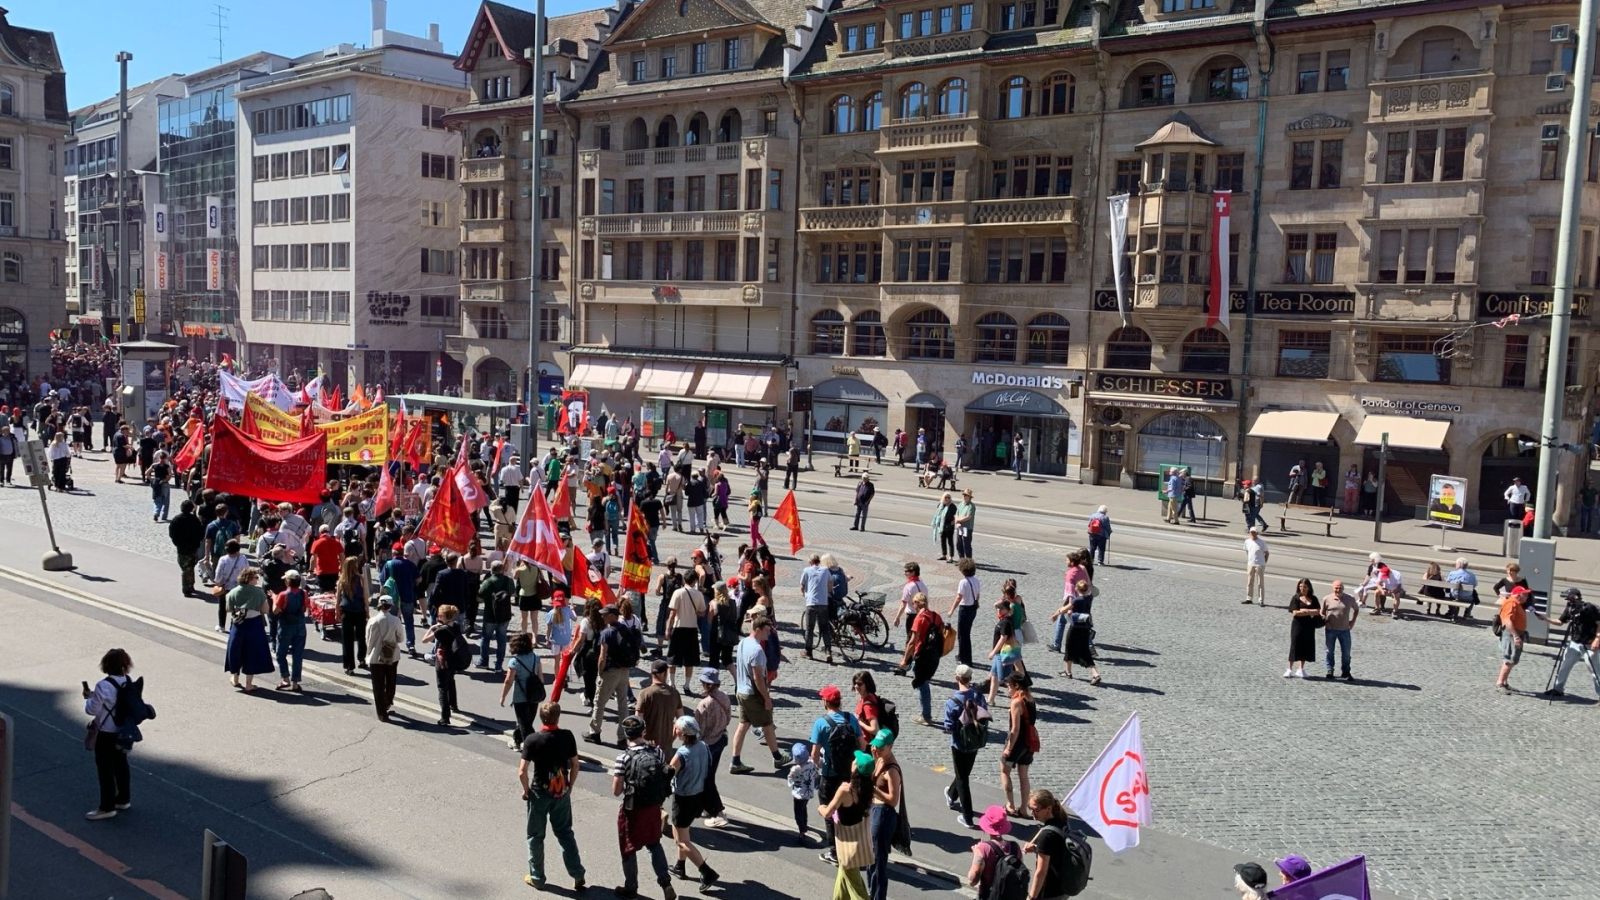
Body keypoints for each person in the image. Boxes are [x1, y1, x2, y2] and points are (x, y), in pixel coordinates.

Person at [519, 701, 586, 891]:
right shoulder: (567, 736)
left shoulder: (532, 740)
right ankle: (577, 873)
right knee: (565, 833)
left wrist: (526, 790)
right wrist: (570, 786)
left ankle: (537, 877)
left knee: (535, 836)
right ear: (558, 716)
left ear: (541, 718)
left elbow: (522, 771)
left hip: (539, 792)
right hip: (561, 790)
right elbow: (575, 765)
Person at [611, 715, 677, 900]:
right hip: (653, 807)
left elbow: (616, 791)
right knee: (654, 844)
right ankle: (665, 883)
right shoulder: (658, 752)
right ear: (644, 732)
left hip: (633, 809)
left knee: (628, 847)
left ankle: (631, 888)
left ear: (626, 734)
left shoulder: (623, 757)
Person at [727, 615, 794, 774]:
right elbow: (758, 678)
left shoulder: (743, 642)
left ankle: (735, 761)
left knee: (743, 725)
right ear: (757, 630)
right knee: (767, 724)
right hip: (753, 694)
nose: (769, 634)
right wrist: (766, 698)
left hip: (741, 691)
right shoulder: (757, 651)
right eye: (766, 631)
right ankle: (778, 758)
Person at [810, 684, 865, 862]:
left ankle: (834, 852)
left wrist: (820, 764)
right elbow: (862, 745)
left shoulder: (821, 723)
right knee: (848, 810)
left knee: (829, 810)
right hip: (848, 774)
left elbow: (814, 754)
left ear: (826, 702)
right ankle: (850, 846)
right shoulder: (850, 719)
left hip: (830, 775)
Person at [666, 716, 720, 888]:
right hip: (698, 795)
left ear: (682, 733)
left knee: (680, 840)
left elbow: (667, 774)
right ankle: (679, 866)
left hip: (683, 799)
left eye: (676, 728)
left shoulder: (682, 754)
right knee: (684, 832)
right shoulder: (703, 746)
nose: (674, 730)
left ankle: (707, 872)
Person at [83, 648, 135, 820]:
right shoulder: (128, 681)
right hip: (123, 732)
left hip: (105, 733)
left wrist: (89, 698)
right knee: (121, 765)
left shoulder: (103, 685)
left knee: (105, 769)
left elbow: (92, 710)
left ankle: (107, 807)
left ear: (106, 665)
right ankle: (123, 799)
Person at [814, 750, 874, 900]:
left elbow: (827, 813)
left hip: (846, 844)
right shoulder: (868, 788)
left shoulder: (845, 790)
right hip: (859, 842)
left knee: (857, 888)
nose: (853, 760)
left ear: (856, 769)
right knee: (843, 879)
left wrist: (820, 807)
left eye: (855, 760)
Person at [586, 604, 642, 746]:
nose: (602, 616)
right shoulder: (625, 629)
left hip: (610, 672)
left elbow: (602, 656)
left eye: (605, 614)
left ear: (612, 616)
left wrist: (600, 672)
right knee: (623, 705)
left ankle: (594, 733)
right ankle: (622, 737)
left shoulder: (607, 633)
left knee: (599, 702)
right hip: (624, 671)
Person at [943, 664, 989, 830]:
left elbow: (948, 727)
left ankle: (967, 816)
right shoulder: (978, 696)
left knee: (963, 779)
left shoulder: (952, 702)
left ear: (957, 678)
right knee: (963, 772)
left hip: (959, 744)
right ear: (970, 678)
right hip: (975, 741)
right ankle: (951, 794)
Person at [1542, 587, 1600, 699]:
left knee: (1595, 670)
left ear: (1575, 597)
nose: (1567, 600)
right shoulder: (1570, 608)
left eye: (1568, 598)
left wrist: (1597, 639)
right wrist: (1546, 619)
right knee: (1565, 665)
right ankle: (1558, 689)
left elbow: (1599, 623)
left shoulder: (1589, 608)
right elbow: (1560, 622)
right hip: (1574, 642)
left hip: (1589, 643)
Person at [1023, 789, 1081, 900]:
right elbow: (1056, 849)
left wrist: (1031, 897)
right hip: (1064, 885)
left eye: (1035, 810)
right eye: (1030, 808)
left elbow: (1041, 872)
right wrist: (1037, 848)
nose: (1032, 813)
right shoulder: (1063, 820)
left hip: (1050, 891)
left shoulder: (1047, 835)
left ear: (1048, 808)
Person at [692, 668, 732, 827]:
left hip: (706, 745)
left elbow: (698, 730)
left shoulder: (704, 705)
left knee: (706, 778)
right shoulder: (724, 697)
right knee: (709, 775)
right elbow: (728, 718)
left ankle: (718, 812)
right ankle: (706, 806)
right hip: (720, 739)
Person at [223, 567, 274, 691]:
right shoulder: (258, 592)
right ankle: (249, 684)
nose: (257, 579)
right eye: (256, 577)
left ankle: (235, 679)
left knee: (235, 650)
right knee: (252, 653)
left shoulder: (233, 592)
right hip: (254, 624)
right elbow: (265, 610)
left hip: (238, 624)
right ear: (250, 579)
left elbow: (228, 609)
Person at [865, 729, 901, 900]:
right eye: (875, 746)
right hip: (874, 811)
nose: (877, 750)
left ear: (891, 747)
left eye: (881, 748)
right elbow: (873, 777)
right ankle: (871, 893)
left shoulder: (892, 770)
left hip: (883, 815)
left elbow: (893, 800)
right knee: (871, 858)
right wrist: (874, 758)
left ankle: (878, 897)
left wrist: (873, 789)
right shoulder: (879, 759)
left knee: (878, 862)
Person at [896, 593, 942, 725]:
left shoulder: (919, 619)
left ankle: (926, 716)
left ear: (917, 603)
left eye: (913, 603)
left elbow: (912, 642)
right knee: (924, 682)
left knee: (922, 684)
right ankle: (926, 714)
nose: (913, 606)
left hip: (922, 655)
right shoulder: (936, 616)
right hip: (934, 655)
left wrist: (905, 659)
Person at [1496, 586, 1546, 693]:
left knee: (1512, 659)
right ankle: (1500, 683)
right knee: (1509, 659)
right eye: (1525, 594)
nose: (1527, 597)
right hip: (1511, 634)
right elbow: (1508, 621)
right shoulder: (1512, 603)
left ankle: (1504, 683)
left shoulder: (1517, 603)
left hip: (1516, 633)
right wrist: (1515, 636)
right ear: (1519, 595)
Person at [422, 605, 466, 726]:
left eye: (440, 615)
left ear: (445, 616)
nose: (438, 617)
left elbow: (424, 640)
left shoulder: (441, 630)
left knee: (442, 687)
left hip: (442, 660)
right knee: (451, 681)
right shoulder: (456, 625)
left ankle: (445, 717)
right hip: (454, 659)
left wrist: (432, 628)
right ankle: (454, 705)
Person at [501, 631, 546, 747]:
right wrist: (540, 690)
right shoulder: (536, 658)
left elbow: (508, 681)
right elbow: (540, 676)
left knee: (524, 724)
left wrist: (503, 697)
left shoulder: (514, 661)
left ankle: (531, 746)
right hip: (534, 695)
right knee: (526, 721)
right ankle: (517, 741)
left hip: (520, 696)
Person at [1000, 671, 1035, 816]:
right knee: (1023, 775)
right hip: (1029, 743)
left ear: (1016, 685)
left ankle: (1010, 805)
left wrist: (1009, 748)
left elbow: (1015, 729)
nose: (1007, 686)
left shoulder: (1016, 702)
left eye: (1009, 684)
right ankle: (1023, 809)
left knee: (1005, 771)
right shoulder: (1030, 699)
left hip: (1017, 743)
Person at [365, 597, 405, 722]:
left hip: (376, 656)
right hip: (391, 654)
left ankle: (381, 713)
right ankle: (388, 701)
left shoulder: (372, 621)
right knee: (391, 680)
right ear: (391, 606)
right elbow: (400, 638)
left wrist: (368, 653)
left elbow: (369, 640)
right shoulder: (395, 620)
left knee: (378, 685)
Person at [666, 569, 706, 691]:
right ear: (695, 581)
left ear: (685, 579)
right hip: (692, 628)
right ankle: (687, 685)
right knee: (690, 659)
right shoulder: (699, 595)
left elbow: (672, 613)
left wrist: (668, 628)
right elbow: (702, 612)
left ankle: (672, 683)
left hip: (678, 627)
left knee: (673, 657)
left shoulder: (678, 593)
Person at [1057, 579, 1100, 684]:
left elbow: (1064, 610)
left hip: (1075, 627)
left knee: (1069, 647)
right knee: (1085, 650)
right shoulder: (1089, 598)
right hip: (1085, 627)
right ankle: (1095, 674)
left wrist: (1058, 612)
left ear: (1077, 588)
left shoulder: (1077, 600)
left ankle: (1068, 672)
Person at [272, 570, 309, 692]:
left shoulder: (283, 594)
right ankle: (295, 682)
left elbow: (275, 611)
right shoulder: (304, 593)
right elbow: (304, 609)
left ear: (288, 582)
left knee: (280, 653)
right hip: (300, 627)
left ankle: (285, 678)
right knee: (297, 655)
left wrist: (274, 598)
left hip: (286, 627)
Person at [636, 659, 684, 752]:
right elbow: (681, 720)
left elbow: (638, 720)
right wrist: (673, 735)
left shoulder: (645, 693)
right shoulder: (674, 693)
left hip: (648, 743)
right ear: (665, 673)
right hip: (667, 744)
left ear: (651, 673)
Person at [477, 559, 516, 672]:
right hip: (504, 615)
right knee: (502, 640)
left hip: (490, 615)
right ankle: (499, 665)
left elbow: (479, 598)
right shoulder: (508, 581)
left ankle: (484, 661)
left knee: (485, 638)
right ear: (502, 569)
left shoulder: (488, 582)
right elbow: (513, 593)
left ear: (492, 570)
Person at [1319, 580, 1358, 681]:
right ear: (1333, 588)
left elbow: (1356, 609)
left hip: (1345, 630)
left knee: (1346, 653)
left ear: (1343, 588)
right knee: (1329, 652)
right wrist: (1326, 622)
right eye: (1336, 588)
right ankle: (1330, 670)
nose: (1338, 589)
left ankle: (1346, 671)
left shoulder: (1350, 598)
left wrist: (1353, 621)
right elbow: (1321, 613)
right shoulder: (1327, 599)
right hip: (1330, 630)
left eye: (1340, 588)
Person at [167, 500, 205, 597]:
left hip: (181, 547)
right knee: (189, 567)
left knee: (186, 568)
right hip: (192, 547)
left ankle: (189, 586)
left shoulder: (176, 519)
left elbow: (171, 533)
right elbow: (200, 532)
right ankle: (188, 587)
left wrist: (176, 542)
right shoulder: (194, 519)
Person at [948, 557, 981, 667]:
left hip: (965, 609)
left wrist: (951, 610)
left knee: (962, 635)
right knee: (966, 633)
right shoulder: (976, 580)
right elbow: (978, 594)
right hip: (973, 608)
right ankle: (963, 656)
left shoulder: (963, 582)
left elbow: (959, 597)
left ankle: (965, 659)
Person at [801, 554, 834, 663]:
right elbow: (831, 582)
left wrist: (805, 594)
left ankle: (808, 652)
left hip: (811, 603)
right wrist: (828, 591)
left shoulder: (806, 570)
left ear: (811, 561)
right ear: (818, 561)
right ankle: (828, 651)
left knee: (809, 628)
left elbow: (802, 586)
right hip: (823, 603)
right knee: (824, 628)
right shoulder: (825, 570)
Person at [1286, 578, 1321, 678]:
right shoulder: (1296, 598)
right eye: (1300, 586)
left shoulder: (1313, 599)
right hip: (1298, 626)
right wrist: (1309, 612)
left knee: (1306, 646)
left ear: (1309, 588)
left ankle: (1300, 669)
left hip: (1309, 626)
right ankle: (1289, 669)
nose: (1302, 589)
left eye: (1304, 587)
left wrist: (1305, 611)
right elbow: (1295, 613)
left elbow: (1318, 611)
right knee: (1295, 645)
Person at [787, 740, 820, 844]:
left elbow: (791, 779)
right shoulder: (811, 763)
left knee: (798, 813)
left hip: (799, 795)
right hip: (808, 792)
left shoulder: (796, 769)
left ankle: (802, 831)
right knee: (804, 808)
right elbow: (816, 773)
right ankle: (805, 824)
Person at [893, 561, 930, 646]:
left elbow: (903, 603)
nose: (904, 573)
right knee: (921, 638)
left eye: (907, 571)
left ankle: (909, 654)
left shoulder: (909, 586)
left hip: (912, 616)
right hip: (923, 614)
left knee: (910, 639)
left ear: (913, 572)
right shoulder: (923, 585)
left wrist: (897, 617)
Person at [1242, 526, 1269, 606]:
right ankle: (1249, 598)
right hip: (1251, 564)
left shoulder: (1262, 542)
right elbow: (1247, 551)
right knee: (1249, 582)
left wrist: (1264, 562)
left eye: (1254, 532)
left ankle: (1261, 600)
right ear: (1250, 533)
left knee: (1260, 583)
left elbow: (1267, 553)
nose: (1253, 534)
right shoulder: (1247, 541)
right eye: (1252, 532)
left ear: (1257, 533)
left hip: (1260, 564)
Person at [147, 450, 173, 521]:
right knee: (166, 500)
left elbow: (147, 473)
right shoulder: (166, 466)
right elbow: (170, 474)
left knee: (157, 499)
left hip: (156, 482)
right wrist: (167, 480)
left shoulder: (154, 465)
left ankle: (156, 512)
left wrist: (151, 480)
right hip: (164, 483)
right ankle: (164, 516)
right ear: (165, 458)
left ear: (159, 458)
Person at [932, 493, 957, 561]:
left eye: (949, 497)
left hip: (949, 526)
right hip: (942, 526)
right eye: (946, 497)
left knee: (950, 541)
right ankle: (944, 555)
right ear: (943, 498)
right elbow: (937, 514)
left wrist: (952, 522)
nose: (947, 499)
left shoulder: (952, 506)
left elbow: (956, 515)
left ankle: (951, 556)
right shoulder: (940, 505)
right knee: (942, 540)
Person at [954, 489, 977, 560]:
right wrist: (957, 521)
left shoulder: (971, 506)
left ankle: (968, 560)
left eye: (966, 495)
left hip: (967, 528)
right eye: (964, 495)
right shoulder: (961, 504)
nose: (964, 496)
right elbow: (957, 514)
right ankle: (961, 559)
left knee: (966, 544)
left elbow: (969, 516)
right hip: (960, 527)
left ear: (969, 497)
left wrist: (959, 520)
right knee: (959, 544)